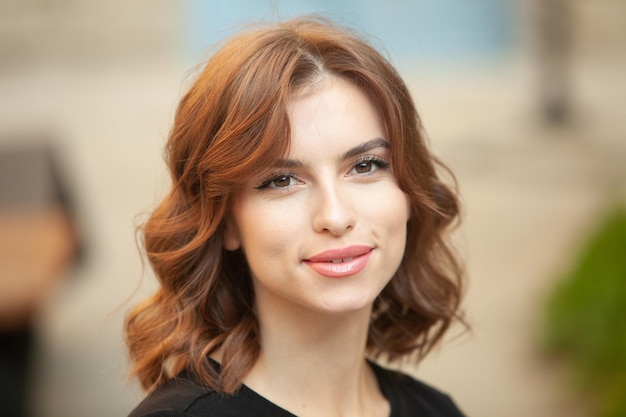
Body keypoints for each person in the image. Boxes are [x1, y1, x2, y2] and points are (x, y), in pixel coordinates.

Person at [126, 16, 466, 417]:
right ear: (225, 221)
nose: (335, 216)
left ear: (410, 190)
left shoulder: (436, 411)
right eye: (283, 180)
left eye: (366, 166)